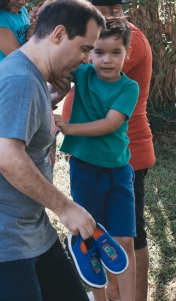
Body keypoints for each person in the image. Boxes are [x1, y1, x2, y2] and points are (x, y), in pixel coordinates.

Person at [0, 0, 106, 301]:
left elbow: (20, 124)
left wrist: (51, 100)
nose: (87, 59)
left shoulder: (29, 76)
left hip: (29, 229)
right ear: (59, 34)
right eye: (85, 48)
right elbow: (7, 157)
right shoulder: (20, 80)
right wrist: (66, 208)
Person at [62, 0, 156, 301]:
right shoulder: (98, 41)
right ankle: (108, 295)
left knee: (130, 237)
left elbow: (85, 66)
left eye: (93, 13)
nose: (86, 22)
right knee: (97, 235)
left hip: (126, 155)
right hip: (91, 157)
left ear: (116, 12)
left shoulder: (129, 43)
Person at [54, 17, 139, 301]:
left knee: (124, 241)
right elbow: (54, 67)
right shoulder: (83, 73)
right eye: (99, 52)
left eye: (116, 52)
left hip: (119, 173)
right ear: (89, 53)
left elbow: (110, 123)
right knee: (89, 240)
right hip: (85, 170)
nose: (107, 60)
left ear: (127, 53)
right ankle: (100, 298)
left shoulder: (129, 88)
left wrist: (69, 127)